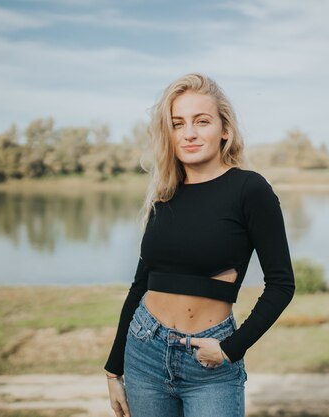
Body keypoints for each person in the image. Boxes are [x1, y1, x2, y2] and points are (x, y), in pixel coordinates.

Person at [104, 73, 295, 417]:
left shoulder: (250, 190)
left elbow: (281, 285)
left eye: (201, 121)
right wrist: (113, 368)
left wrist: (230, 349)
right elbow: (140, 285)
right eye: (177, 124)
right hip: (144, 351)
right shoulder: (164, 195)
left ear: (225, 129)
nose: (189, 133)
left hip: (209, 360)